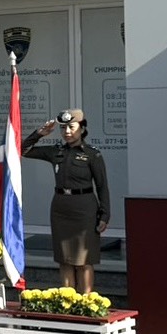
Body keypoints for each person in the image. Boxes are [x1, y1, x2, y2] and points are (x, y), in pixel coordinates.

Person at [22, 108, 111, 293]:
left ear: (82, 128)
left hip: (84, 209)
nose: (67, 132)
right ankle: (68, 300)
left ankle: (86, 301)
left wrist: (104, 215)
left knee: (84, 260)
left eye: (71, 127)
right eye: (63, 128)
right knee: (65, 259)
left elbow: (102, 186)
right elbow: (23, 150)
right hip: (61, 209)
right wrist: (39, 133)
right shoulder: (56, 151)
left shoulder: (92, 154)